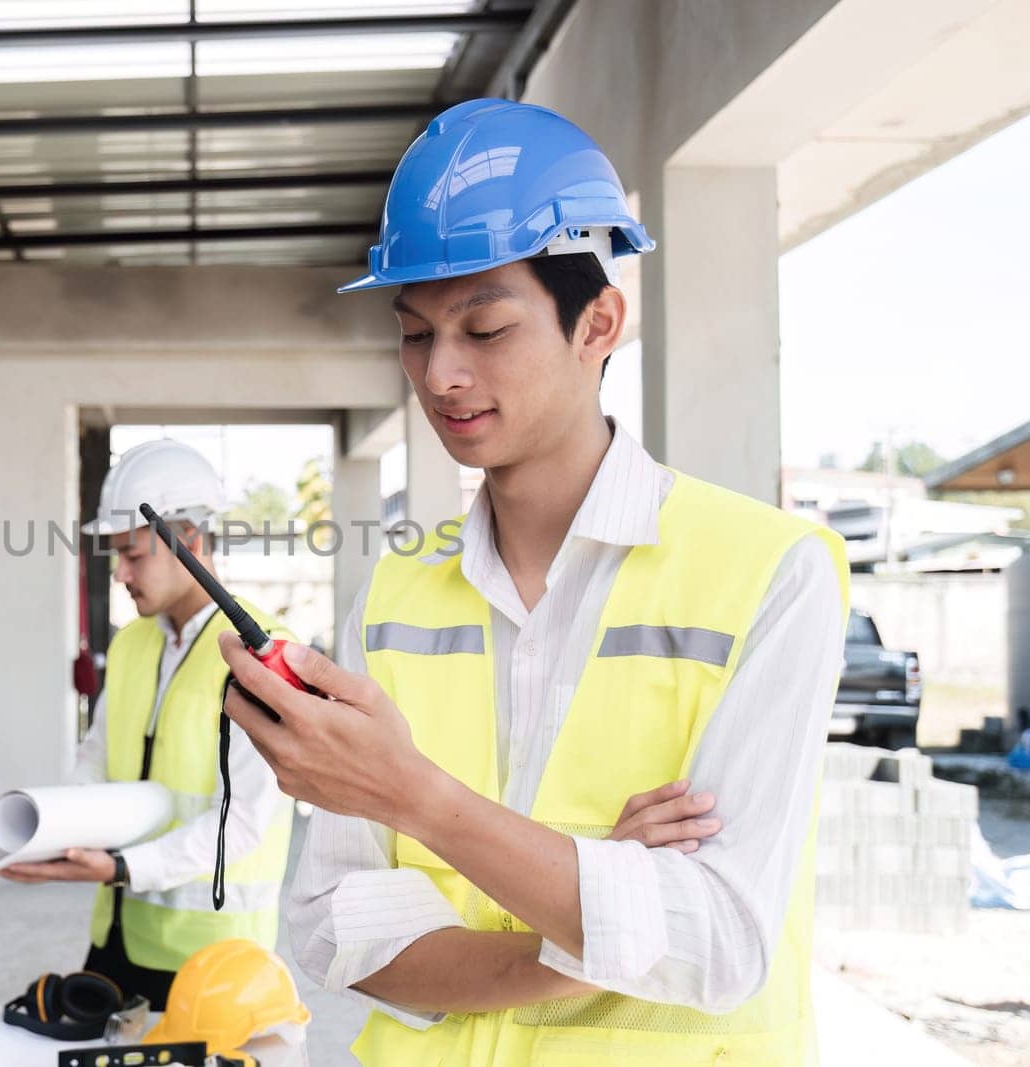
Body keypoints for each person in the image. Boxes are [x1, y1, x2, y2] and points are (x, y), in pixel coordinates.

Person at [219, 99, 850, 1065]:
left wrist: (413, 798)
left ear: (598, 321)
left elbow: (719, 941)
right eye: (417, 335)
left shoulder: (768, 573)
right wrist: (584, 937)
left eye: (485, 328)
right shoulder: (392, 598)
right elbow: (338, 928)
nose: (441, 375)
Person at [1, 440, 294, 1007]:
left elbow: (245, 823)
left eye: (134, 556)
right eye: (116, 556)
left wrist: (122, 865)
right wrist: (54, 832)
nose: (120, 574)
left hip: (213, 955)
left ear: (192, 544)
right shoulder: (135, 643)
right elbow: (96, 755)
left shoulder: (265, 657)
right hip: (117, 935)